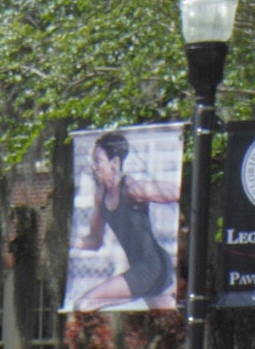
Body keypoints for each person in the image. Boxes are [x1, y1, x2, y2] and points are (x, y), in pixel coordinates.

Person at [74, 128, 178, 310]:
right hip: (142, 271)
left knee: (85, 303)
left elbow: (174, 192)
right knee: (164, 317)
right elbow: (95, 240)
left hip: (152, 268)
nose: (94, 167)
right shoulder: (101, 195)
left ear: (114, 163)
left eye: (98, 161)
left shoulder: (131, 189)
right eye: (93, 162)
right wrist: (69, 242)